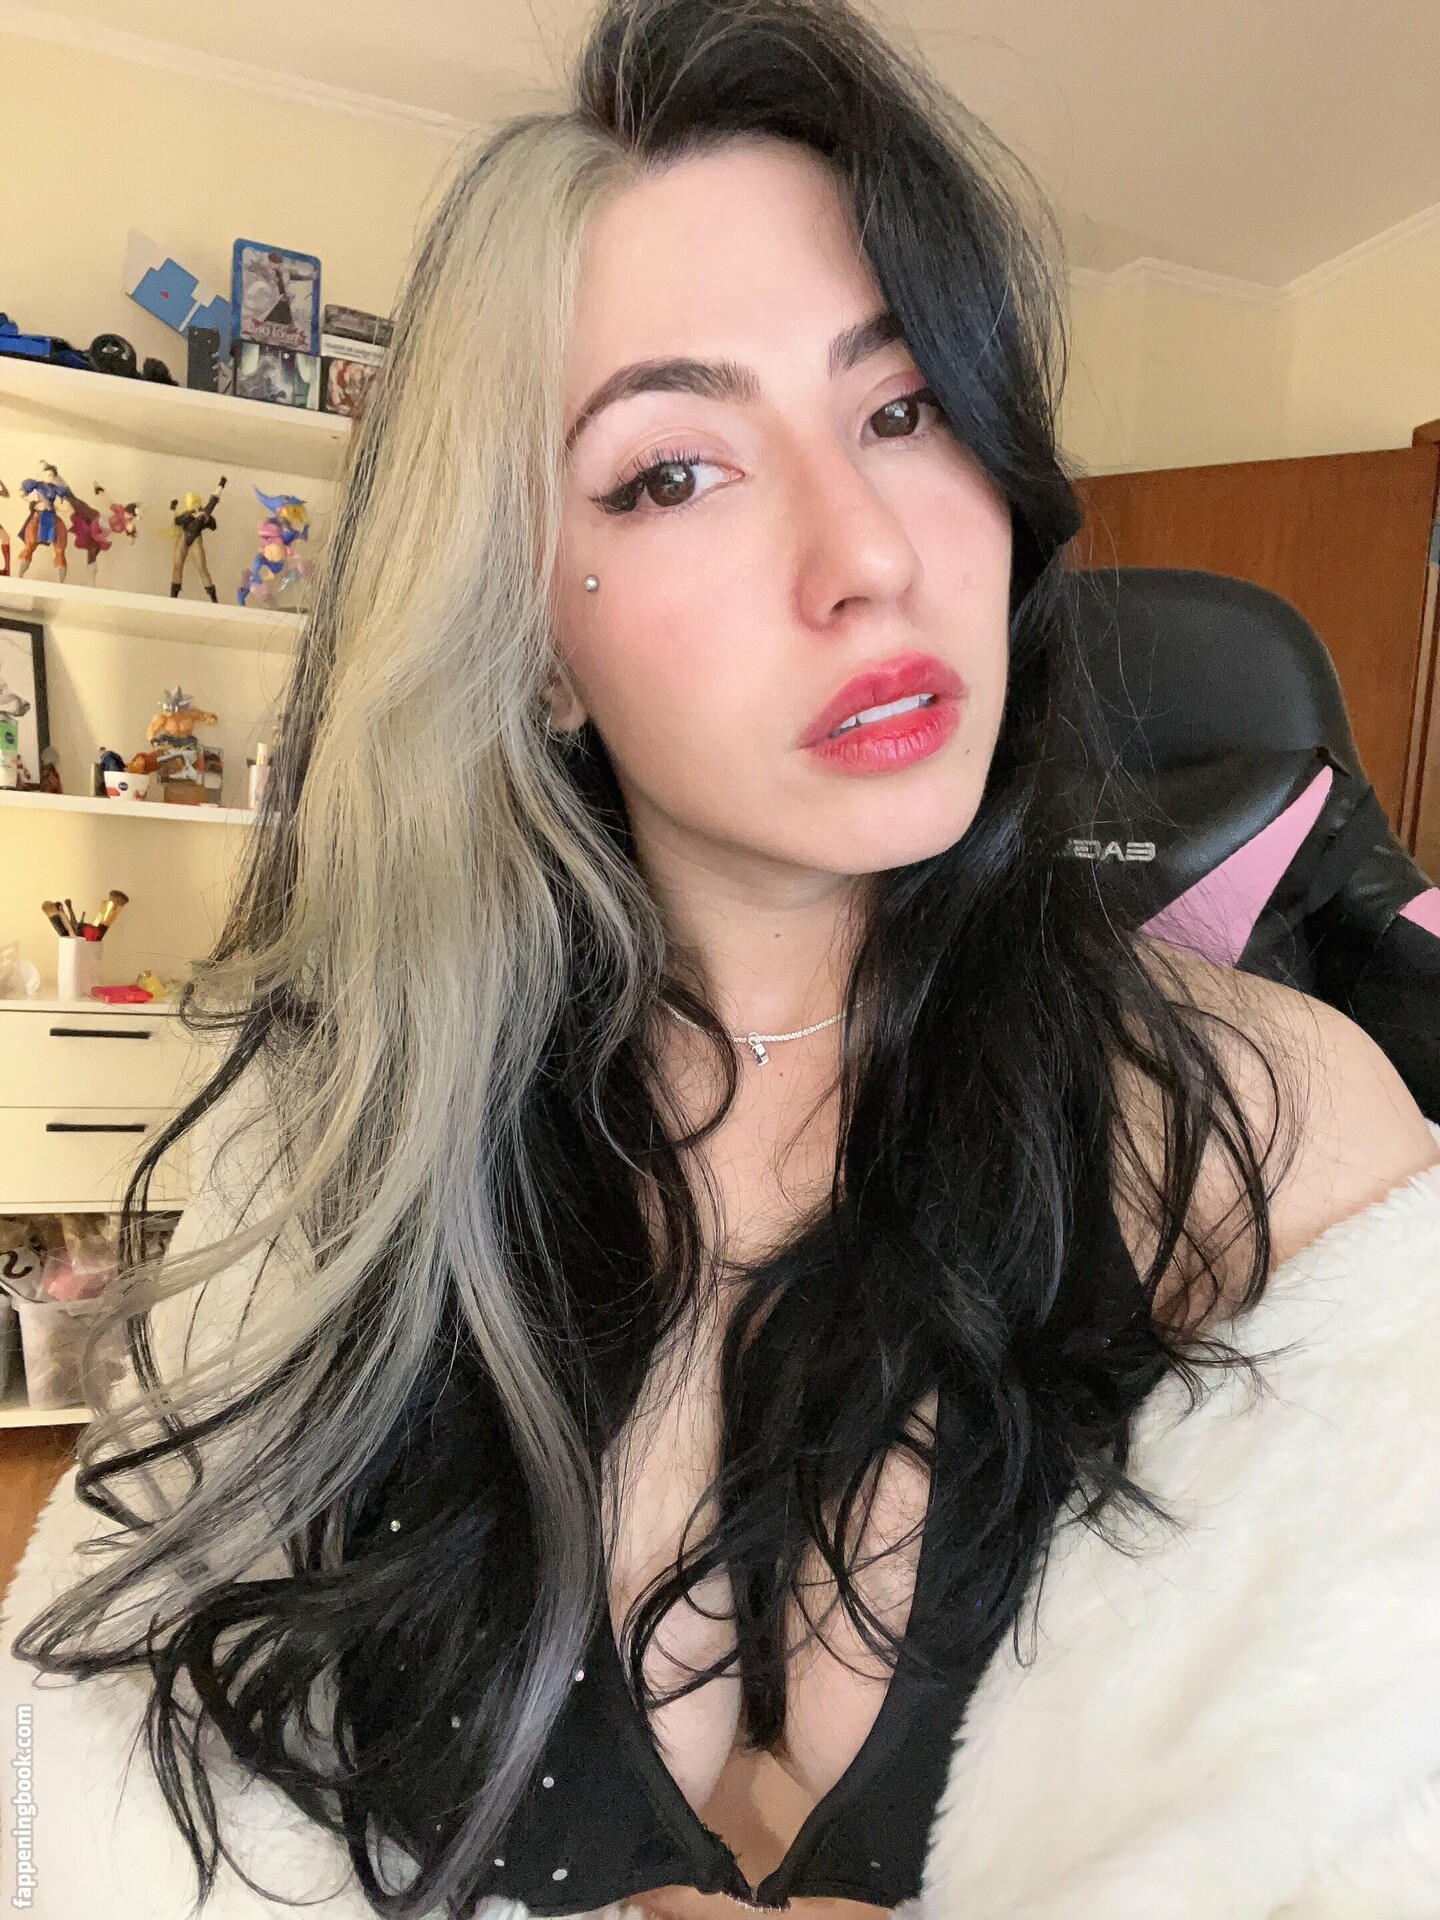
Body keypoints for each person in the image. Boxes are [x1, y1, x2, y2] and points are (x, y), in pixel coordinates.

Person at [5, 2, 1440, 1917]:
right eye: (675, 471)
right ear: (529, 636)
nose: (867, 555)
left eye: (902, 406)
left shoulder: (1259, 1129)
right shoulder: (333, 1152)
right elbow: (114, 1806)